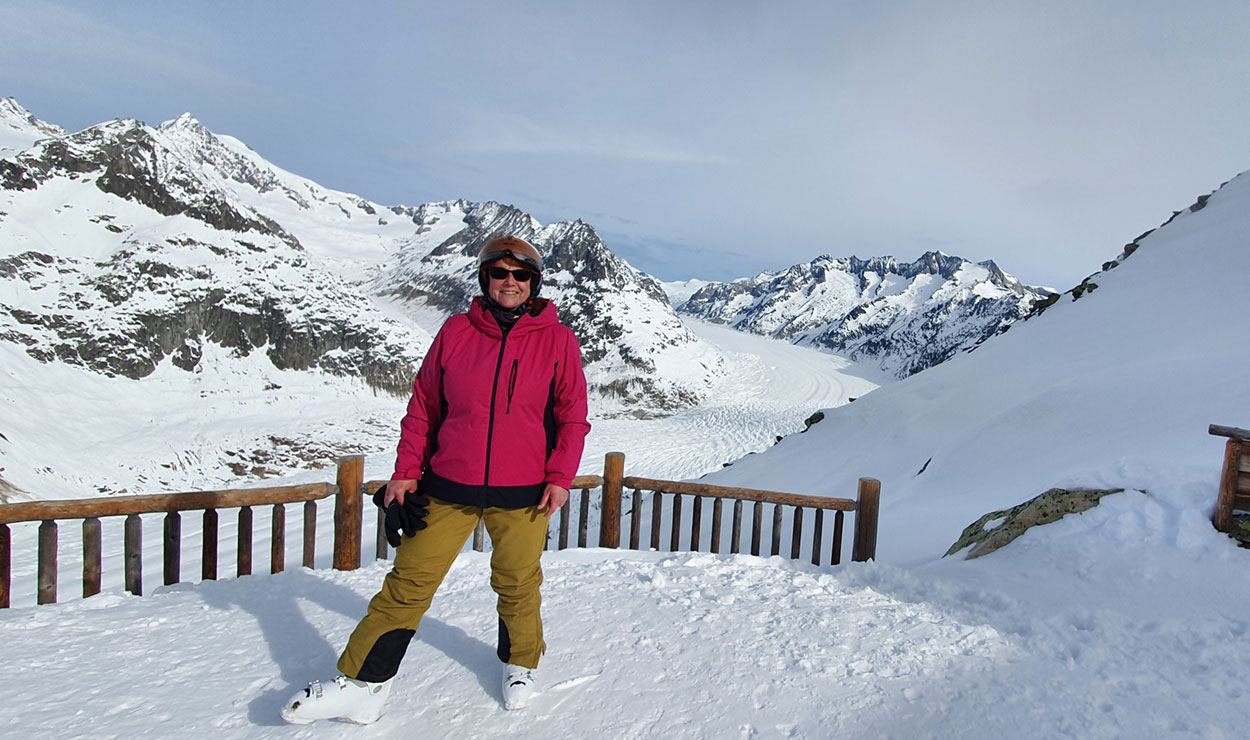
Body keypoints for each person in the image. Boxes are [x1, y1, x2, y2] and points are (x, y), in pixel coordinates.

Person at [282, 235, 591, 724]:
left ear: (534, 283)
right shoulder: (456, 332)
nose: (509, 282)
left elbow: (572, 416)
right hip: (448, 485)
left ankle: (520, 664)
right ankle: (365, 686)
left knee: (517, 583)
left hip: (525, 491)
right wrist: (406, 473)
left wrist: (559, 476)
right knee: (407, 583)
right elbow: (424, 407)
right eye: (499, 272)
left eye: (521, 275)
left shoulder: (558, 340)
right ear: (484, 277)